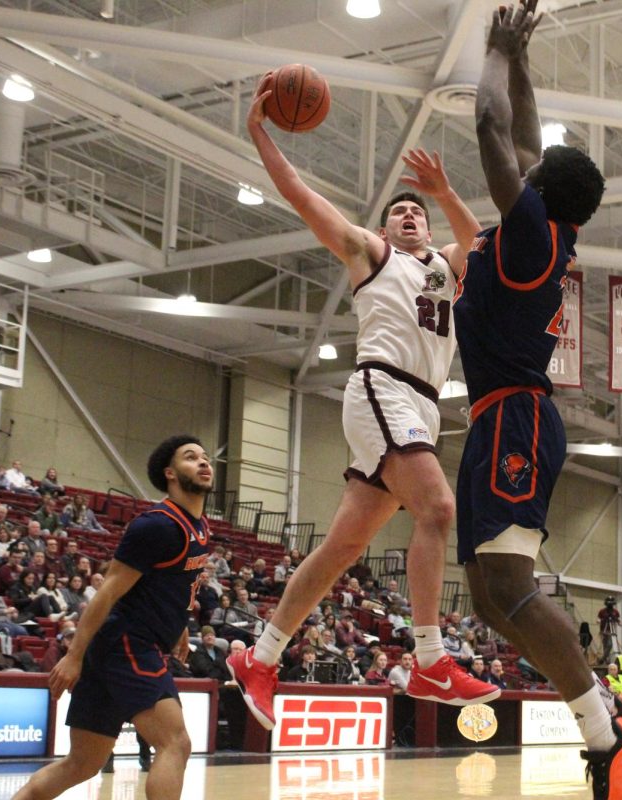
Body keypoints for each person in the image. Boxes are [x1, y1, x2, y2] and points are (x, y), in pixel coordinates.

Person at [227, 46, 493, 731]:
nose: (409, 216)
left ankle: (260, 657)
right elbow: (299, 194)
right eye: (399, 211)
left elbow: (481, 246)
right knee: (437, 509)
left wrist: (444, 195)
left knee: (343, 548)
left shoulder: (442, 268)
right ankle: (430, 657)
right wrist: (259, 131)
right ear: (382, 230)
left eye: (418, 213)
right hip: (382, 389)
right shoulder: (372, 256)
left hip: (422, 407)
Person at [449, 5, 622, 800]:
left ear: (537, 192)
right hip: (501, 415)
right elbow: (523, 142)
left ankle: (608, 741)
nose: (523, 169)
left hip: (516, 417)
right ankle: (605, 722)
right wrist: (524, 56)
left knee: (509, 590)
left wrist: (496, 51)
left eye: (532, 172)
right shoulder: (544, 228)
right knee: (489, 598)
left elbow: (491, 127)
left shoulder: (531, 234)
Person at [9, 435, 213, 800]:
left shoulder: (199, 526)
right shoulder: (157, 525)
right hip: (129, 644)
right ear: (169, 473)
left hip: (120, 649)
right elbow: (108, 591)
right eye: (190, 457)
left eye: (205, 458)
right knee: (176, 744)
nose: (203, 463)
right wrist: (73, 656)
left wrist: (181, 627)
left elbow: (175, 583)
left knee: (82, 764)